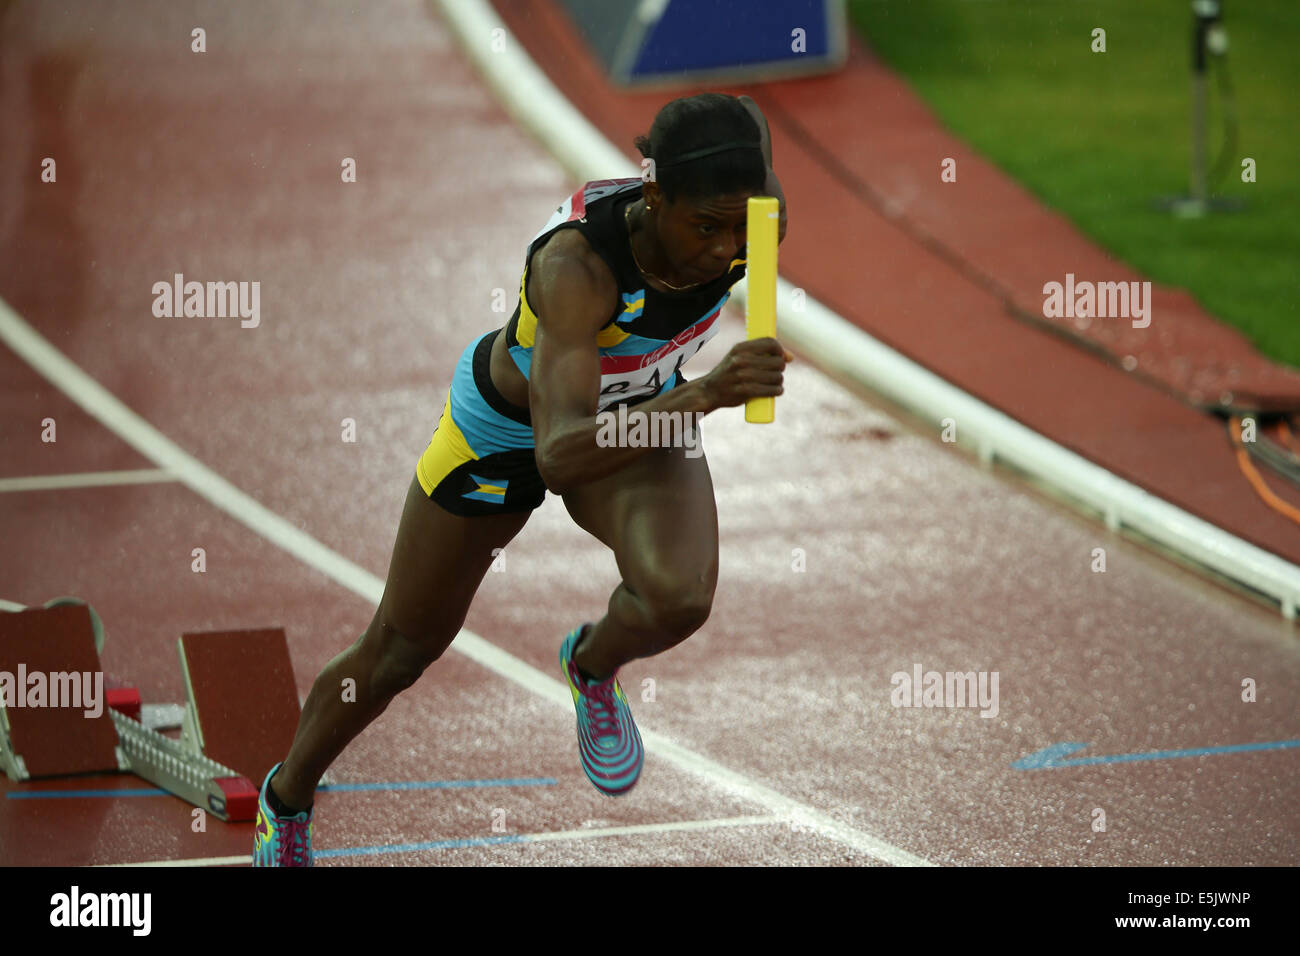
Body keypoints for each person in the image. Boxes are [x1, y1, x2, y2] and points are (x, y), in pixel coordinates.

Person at [253, 92, 790, 866]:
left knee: (679, 597)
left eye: (742, 226)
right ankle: (287, 798)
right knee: (401, 649)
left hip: (645, 415)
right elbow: (559, 454)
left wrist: (709, 383)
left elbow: (750, 177)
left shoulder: (755, 219)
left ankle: (591, 665)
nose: (724, 249)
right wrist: (705, 394)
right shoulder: (575, 266)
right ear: (653, 195)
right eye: (705, 226)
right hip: (511, 432)